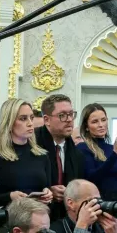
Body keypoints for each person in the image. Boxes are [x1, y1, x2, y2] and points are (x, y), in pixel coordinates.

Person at [0, 98, 53, 207]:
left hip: (38, 217)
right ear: (9, 122)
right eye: (23, 119)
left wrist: (48, 193)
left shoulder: (42, 155)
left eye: (31, 118)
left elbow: (46, 186)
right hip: (6, 219)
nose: (30, 123)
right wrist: (9, 197)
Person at [36, 93, 84, 221]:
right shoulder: (32, 144)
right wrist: (47, 189)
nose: (69, 119)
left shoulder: (75, 151)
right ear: (46, 120)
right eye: (62, 115)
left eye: (71, 114)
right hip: (37, 216)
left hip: (66, 217)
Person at [76, 103, 117, 201]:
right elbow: (92, 178)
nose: (101, 125)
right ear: (86, 126)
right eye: (95, 121)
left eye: (103, 120)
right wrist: (115, 155)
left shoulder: (112, 148)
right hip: (96, 203)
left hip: (115, 203)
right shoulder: (82, 148)